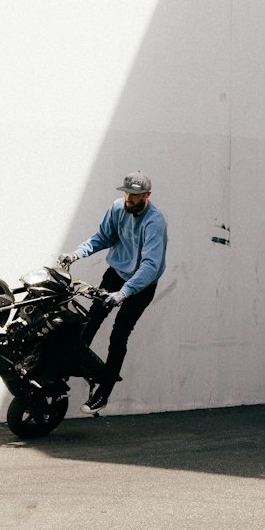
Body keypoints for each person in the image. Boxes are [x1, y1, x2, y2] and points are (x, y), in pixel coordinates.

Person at [62, 171, 167, 413]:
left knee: (119, 335)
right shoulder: (119, 208)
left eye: (135, 196)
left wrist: (124, 293)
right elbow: (102, 238)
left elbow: (150, 266)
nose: (129, 199)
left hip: (141, 285)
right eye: (127, 193)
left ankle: (104, 392)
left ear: (147, 195)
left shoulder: (155, 221)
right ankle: (69, 369)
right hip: (116, 274)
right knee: (91, 320)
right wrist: (77, 254)